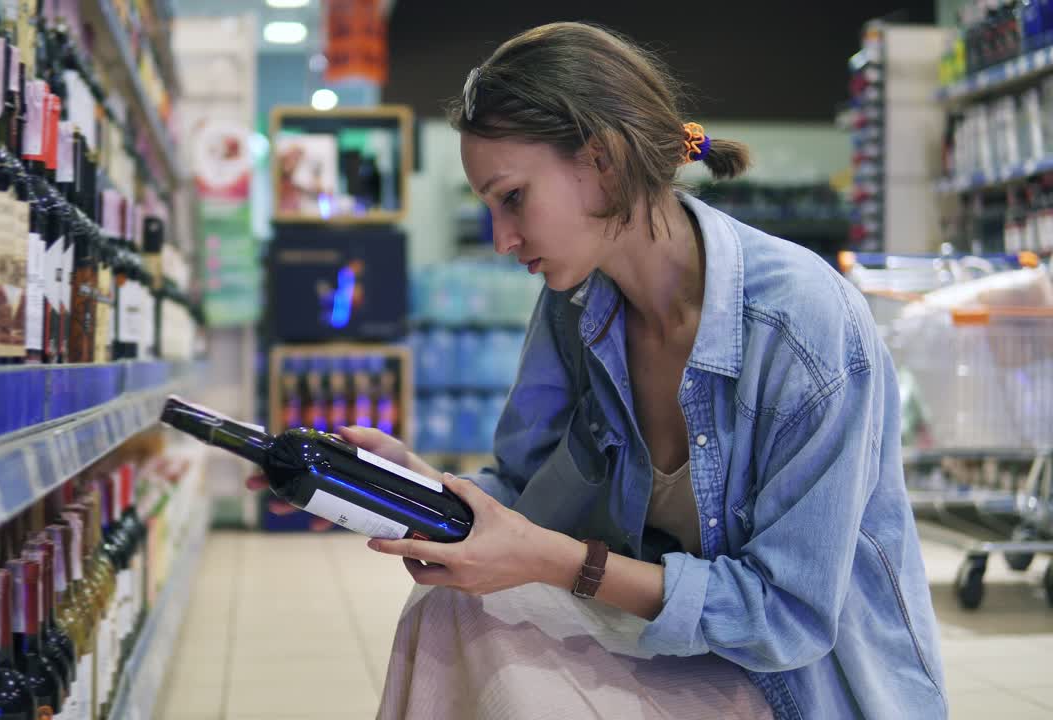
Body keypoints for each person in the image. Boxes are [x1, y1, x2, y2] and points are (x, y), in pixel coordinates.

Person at [249, 21, 946, 720]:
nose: (501, 240)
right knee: (448, 611)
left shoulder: (802, 327)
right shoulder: (578, 306)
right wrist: (411, 486)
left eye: (513, 197)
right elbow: (523, 498)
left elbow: (786, 619)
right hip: (677, 655)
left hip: (799, 687)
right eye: (488, 207)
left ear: (603, 161)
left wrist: (558, 563)